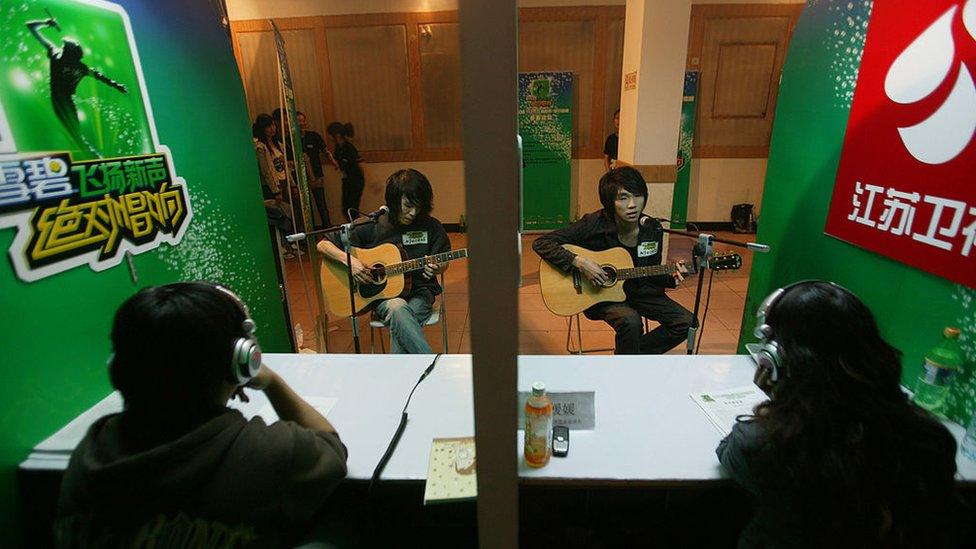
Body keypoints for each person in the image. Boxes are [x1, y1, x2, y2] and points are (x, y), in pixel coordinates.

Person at [55, 282, 348, 547]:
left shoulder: (90, 452)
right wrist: (271, 381)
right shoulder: (267, 452)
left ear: (117, 369)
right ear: (241, 361)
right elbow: (331, 448)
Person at [718, 281, 962, 548]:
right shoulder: (931, 438)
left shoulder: (764, 443)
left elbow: (728, 451)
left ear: (776, 358)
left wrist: (778, 400)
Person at [533, 167, 692, 354]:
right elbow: (542, 242)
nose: (632, 204)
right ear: (610, 202)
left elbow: (649, 270)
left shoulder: (651, 228)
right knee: (631, 322)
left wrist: (671, 277)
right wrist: (582, 263)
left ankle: (629, 357)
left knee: (687, 322)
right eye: (623, 198)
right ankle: (627, 364)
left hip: (639, 291)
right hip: (600, 295)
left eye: (638, 195)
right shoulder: (594, 223)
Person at [316, 169, 449, 354]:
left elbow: (443, 260)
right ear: (394, 200)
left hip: (420, 292)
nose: (413, 213)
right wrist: (351, 262)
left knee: (400, 319)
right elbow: (323, 245)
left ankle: (415, 374)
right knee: (397, 307)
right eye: (408, 205)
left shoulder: (431, 226)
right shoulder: (373, 223)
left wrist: (437, 268)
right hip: (384, 297)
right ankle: (434, 367)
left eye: (419, 207)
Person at [28, 13, 128, 158]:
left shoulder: (60, 56)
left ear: (69, 54)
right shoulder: (70, 61)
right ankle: (95, 157)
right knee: (75, 136)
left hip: (62, 100)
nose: (61, 48)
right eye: (63, 47)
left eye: (64, 47)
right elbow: (100, 77)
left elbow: (100, 76)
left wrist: (45, 23)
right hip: (60, 100)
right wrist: (45, 22)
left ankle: (94, 158)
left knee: (76, 136)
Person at [326, 122, 366, 220]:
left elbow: (360, 164)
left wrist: (374, 182)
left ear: (337, 135)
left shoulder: (349, 148)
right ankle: (354, 228)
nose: (330, 138)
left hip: (355, 181)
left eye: (330, 135)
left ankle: (358, 229)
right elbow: (338, 162)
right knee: (346, 209)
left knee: (351, 210)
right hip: (347, 180)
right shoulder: (338, 147)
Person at [298, 111, 332, 229]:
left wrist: (334, 162)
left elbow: (325, 150)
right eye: (299, 121)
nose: (302, 123)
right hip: (301, 177)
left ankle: (328, 230)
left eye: (303, 120)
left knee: (321, 204)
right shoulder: (291, 139)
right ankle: (311, 232)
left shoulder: (313, 136)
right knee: (307, 207)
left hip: (317, 175)